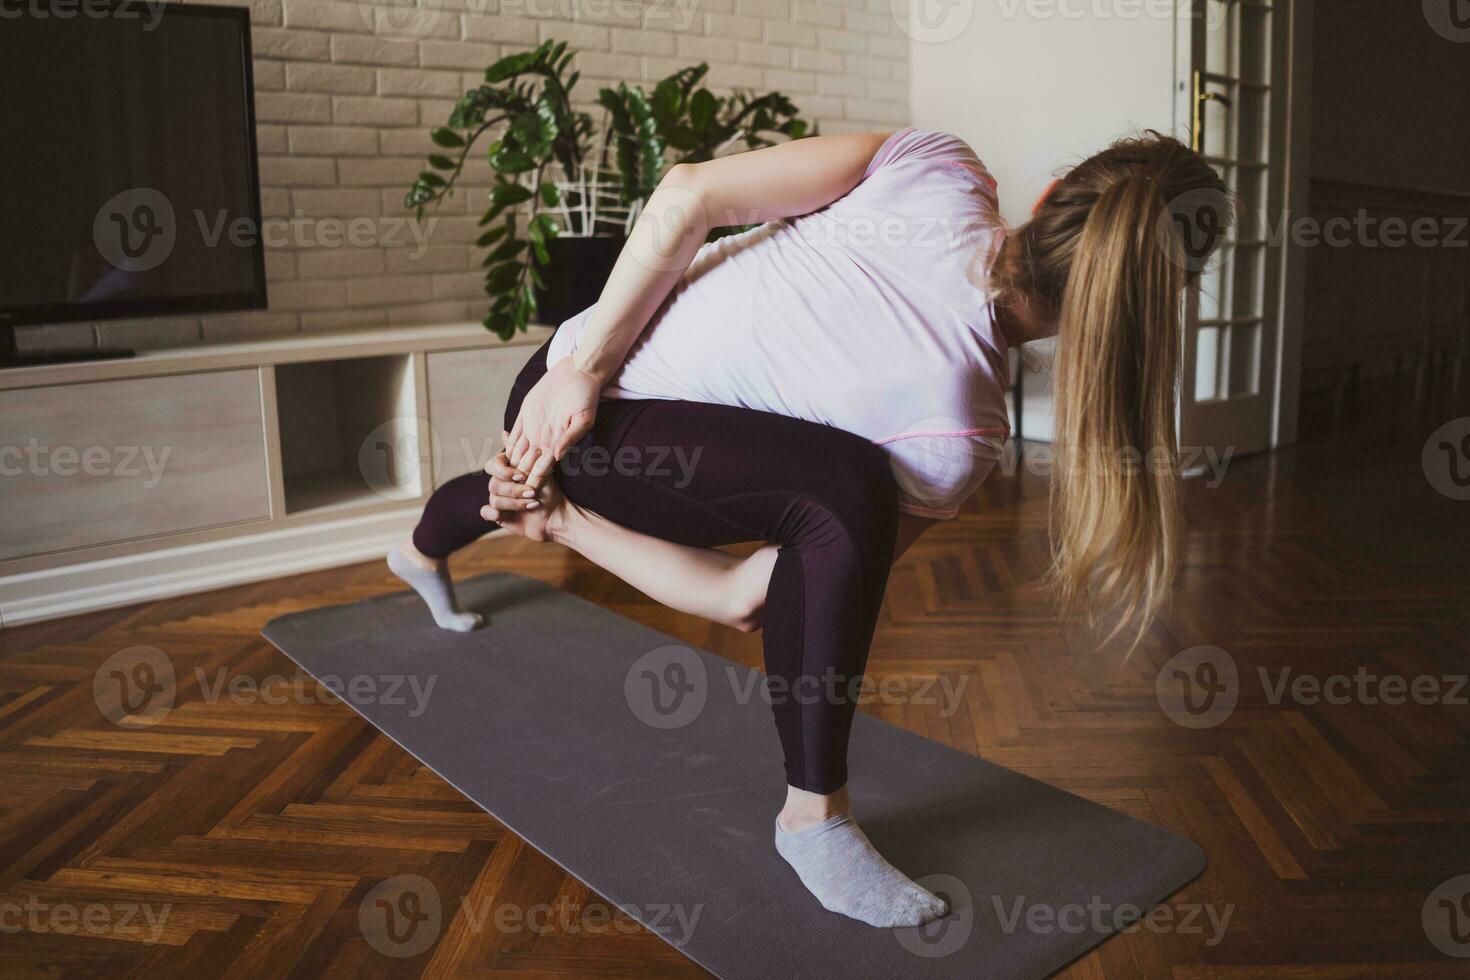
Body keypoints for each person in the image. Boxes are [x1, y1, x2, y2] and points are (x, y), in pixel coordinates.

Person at [386, 127, 1231, 927]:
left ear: (1051, 194)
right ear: (1137, 317)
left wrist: (566, 508)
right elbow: (741, 598)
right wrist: (583, 381)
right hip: (578, 395)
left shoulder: (934, 167)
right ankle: (812, 818)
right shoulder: (958, 431)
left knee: (528, 486)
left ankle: (418, 551)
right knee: (837, 485)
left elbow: (689, 193)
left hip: (575, 393)